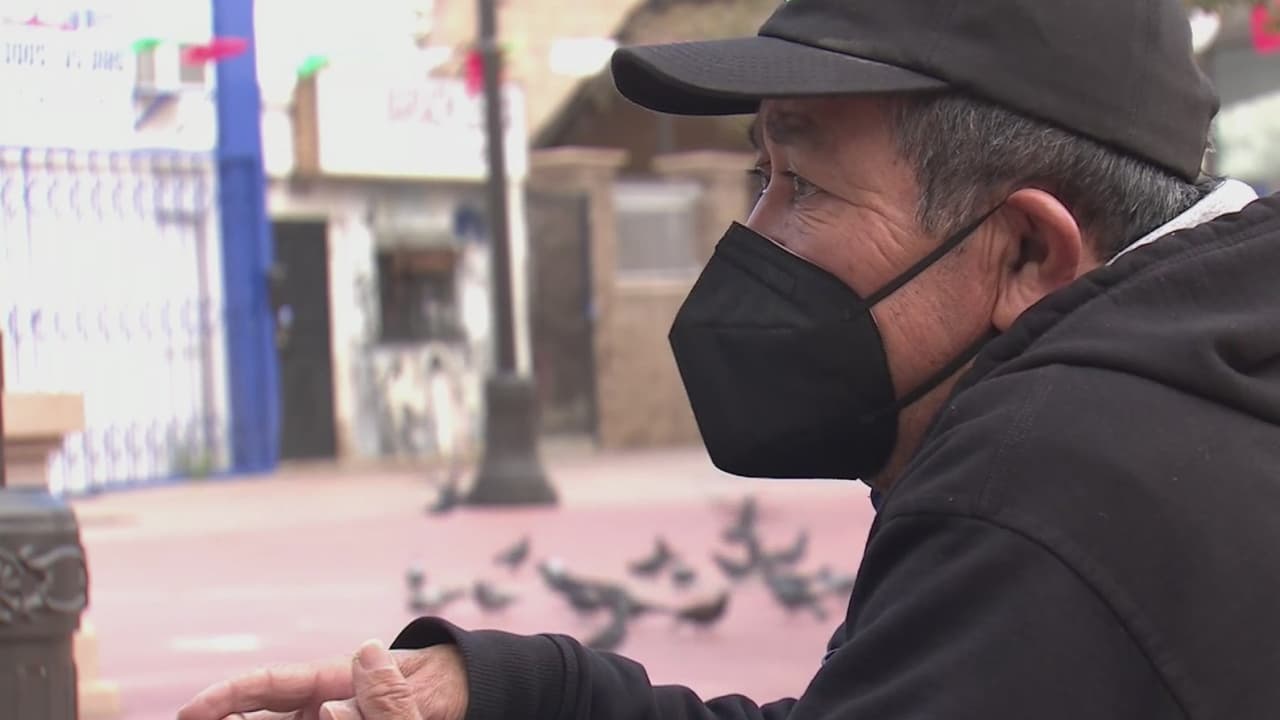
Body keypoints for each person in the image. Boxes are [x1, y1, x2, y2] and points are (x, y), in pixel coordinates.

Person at [179, 0, 1280, 718]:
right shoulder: (1192, 386)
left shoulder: (1048, 497)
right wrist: (518, 696)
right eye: (758, 173)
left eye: (798, 186)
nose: (750, 239)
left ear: (1027, 253)